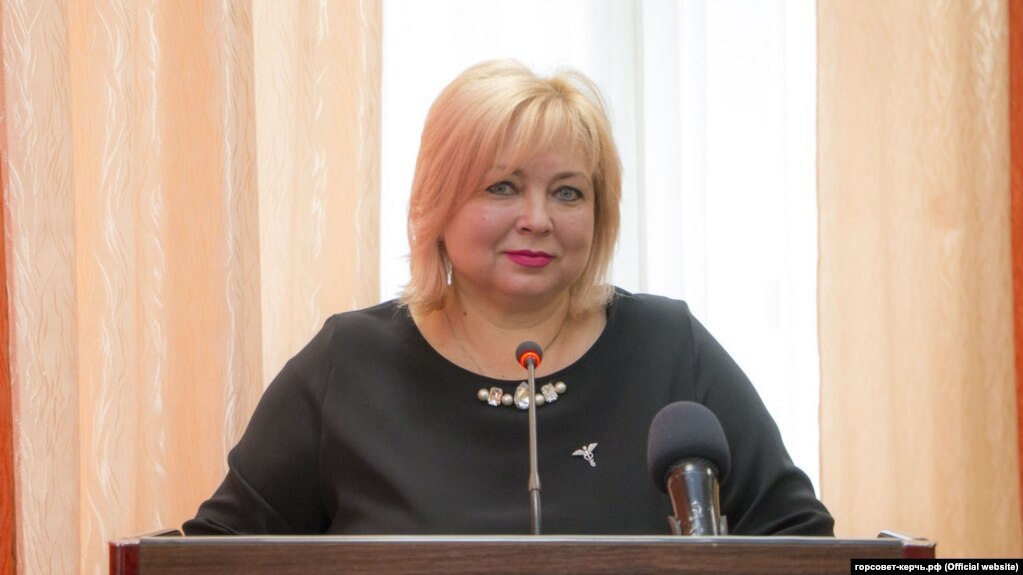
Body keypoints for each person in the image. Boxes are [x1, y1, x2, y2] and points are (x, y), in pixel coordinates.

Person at [184, 59, 833, 536]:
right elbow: (215, 553)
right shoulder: (348, 363)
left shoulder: (668, 348)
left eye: (567, 192)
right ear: (438, 202)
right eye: (502, 187)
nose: (537, 219)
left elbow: (804, 540)